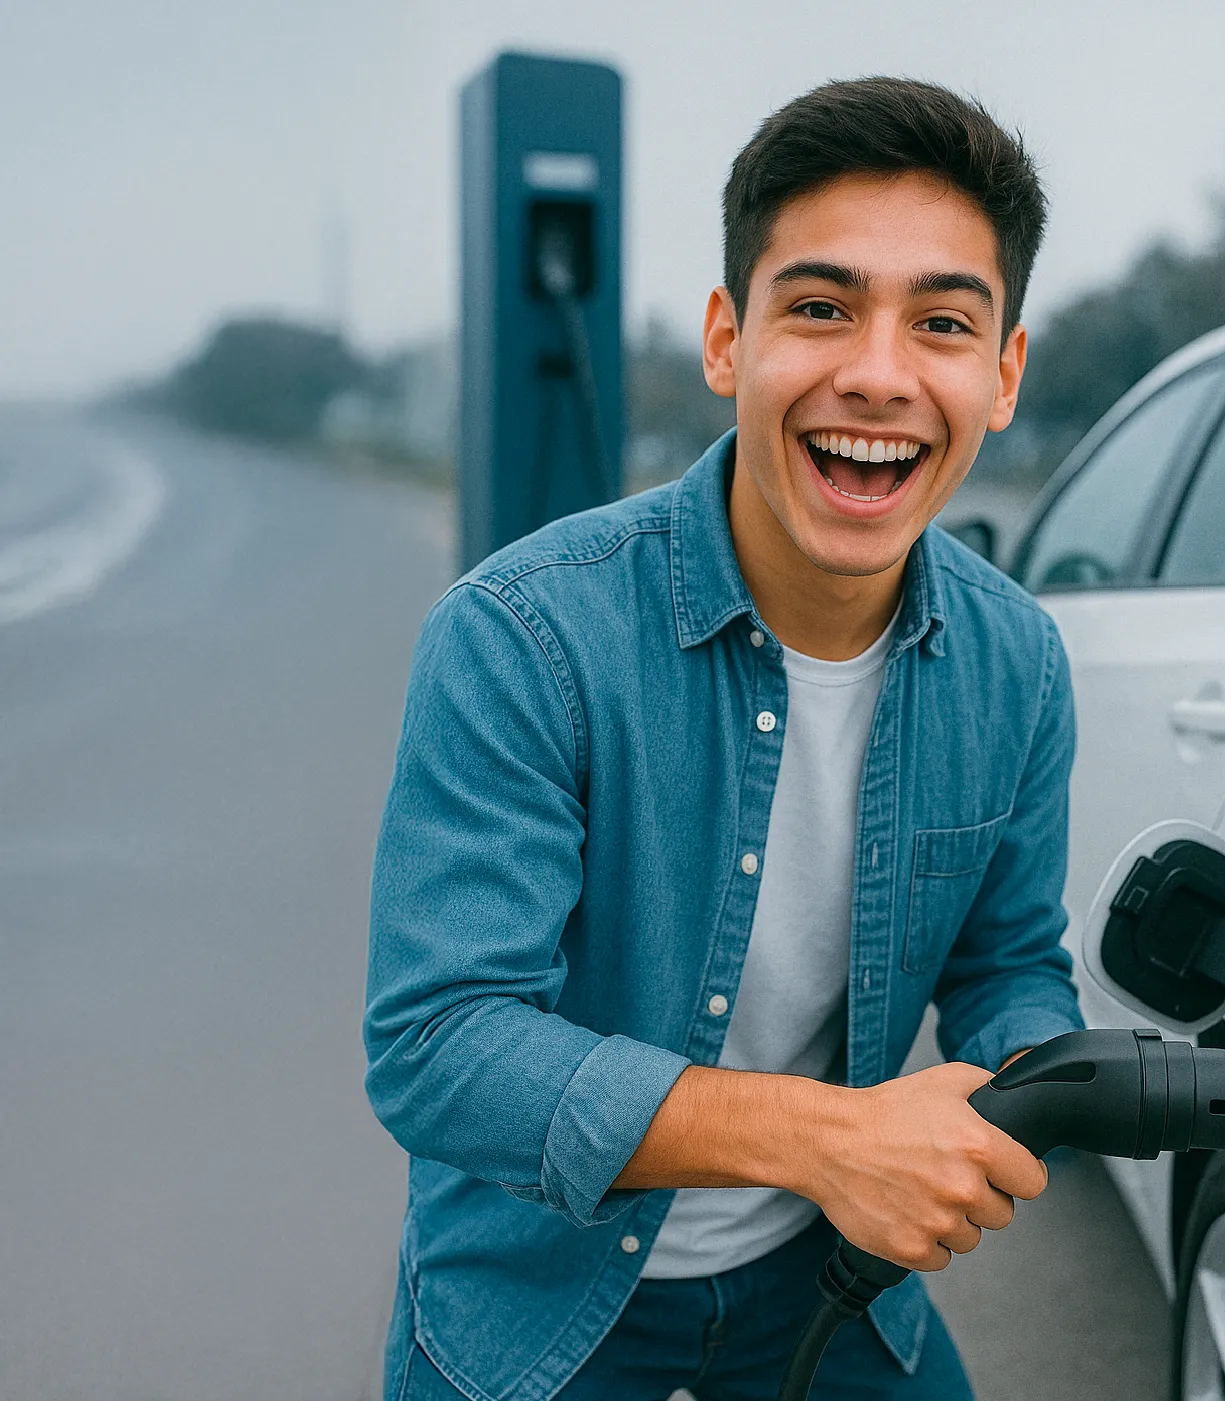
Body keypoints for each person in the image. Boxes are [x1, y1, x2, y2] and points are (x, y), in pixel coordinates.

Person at [364, 76, 1082, 1401]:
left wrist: (1048, 1066)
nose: (878, 373)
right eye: (820, 308)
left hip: (835, 1282)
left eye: (940, 323)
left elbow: (1006, 959)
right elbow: (441, 1046)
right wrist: (826, 1140)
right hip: (538, 1296)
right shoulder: (518, 636)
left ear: (1001, 376)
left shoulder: (1019, 662)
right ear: (726, 341)